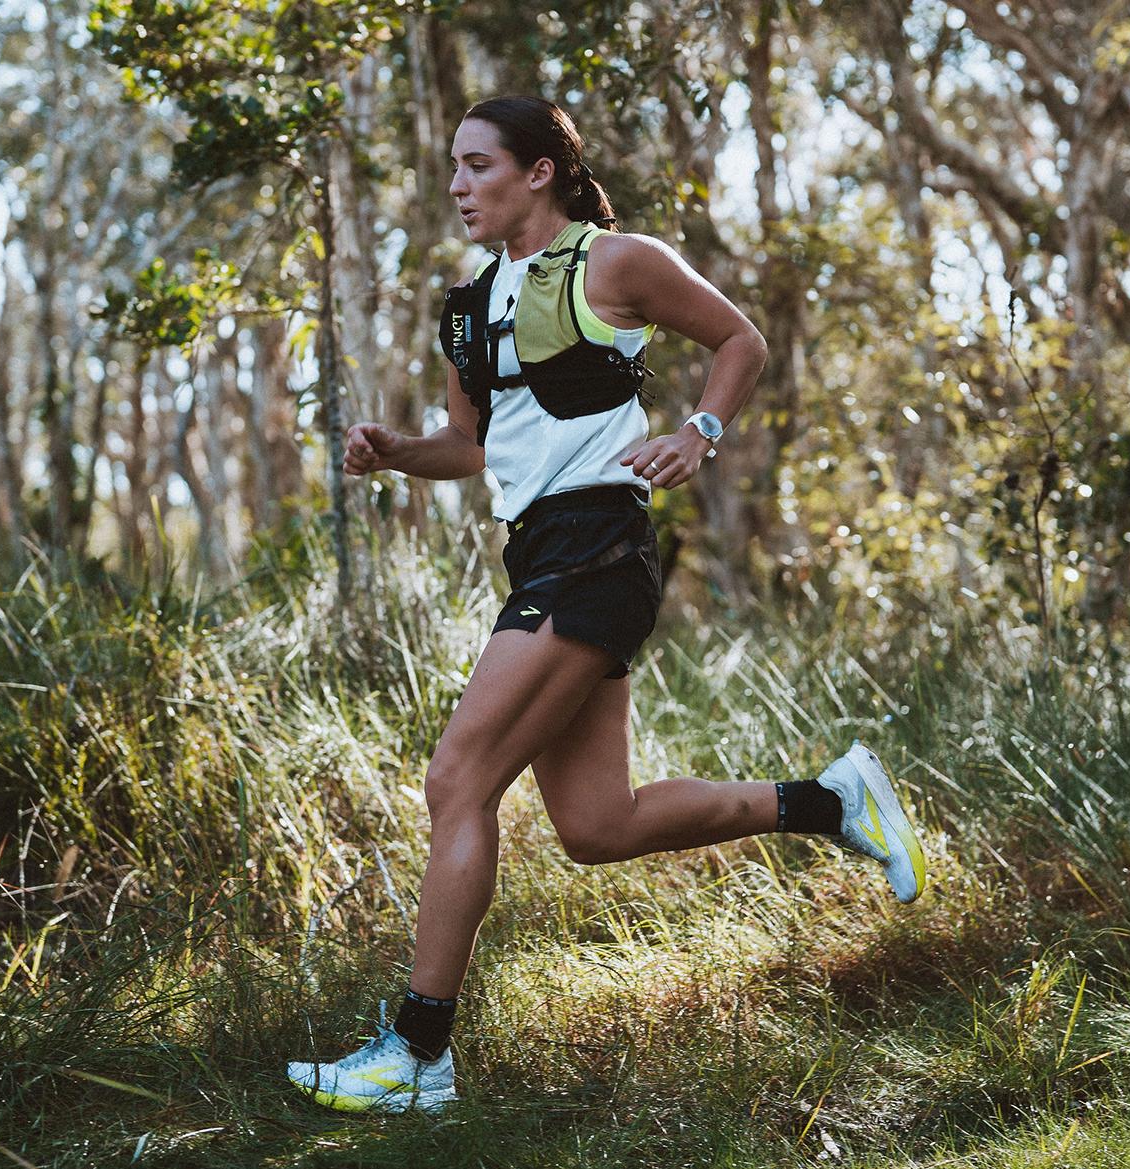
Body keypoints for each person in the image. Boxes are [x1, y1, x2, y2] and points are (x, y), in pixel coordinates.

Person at [287, 95, 925, 1113]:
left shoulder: (612, 264)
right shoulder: (465, 304)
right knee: (596, 824)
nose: (458, 185)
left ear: (539, 172)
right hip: (540, 547)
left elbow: (741, 341)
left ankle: (418, 1054)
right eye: (452, 167)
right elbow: (472, 447)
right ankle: (832, 799)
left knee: (457, 781)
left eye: (479, 165)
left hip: (599, 547)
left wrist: (699, 432)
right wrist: (398, 453)